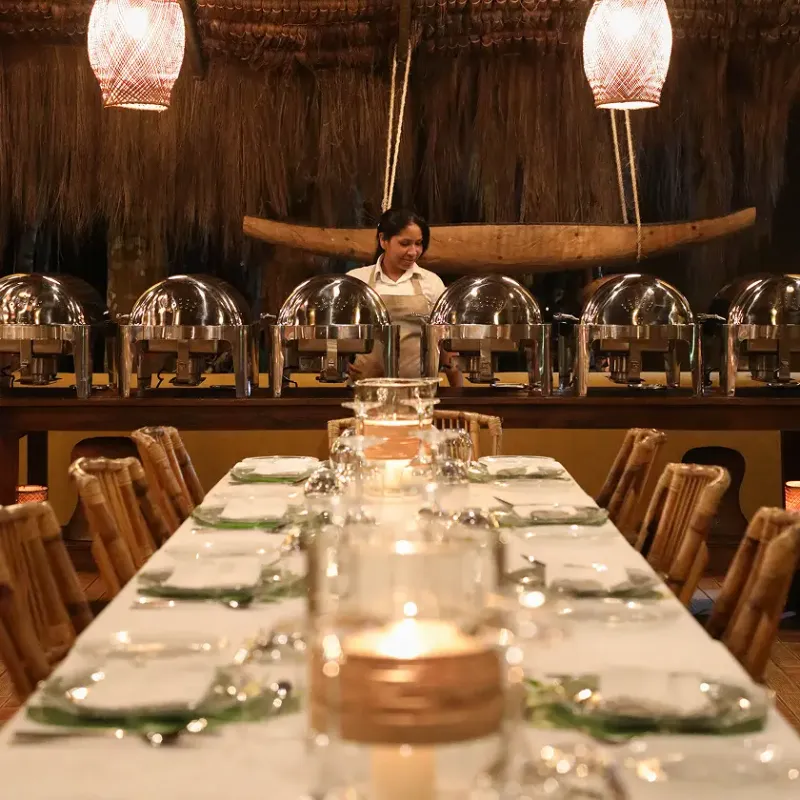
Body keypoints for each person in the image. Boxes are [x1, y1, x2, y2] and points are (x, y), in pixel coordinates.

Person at [347, 208, 462, 386]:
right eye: (405, 243)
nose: (413, 252)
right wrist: (339, 361)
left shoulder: (431, 283)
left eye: (418, 243)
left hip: (420, 393)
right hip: (364, 391)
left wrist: (459, 394)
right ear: (383, 240)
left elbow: (446, 346)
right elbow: (337, 331)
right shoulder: (356, 280)